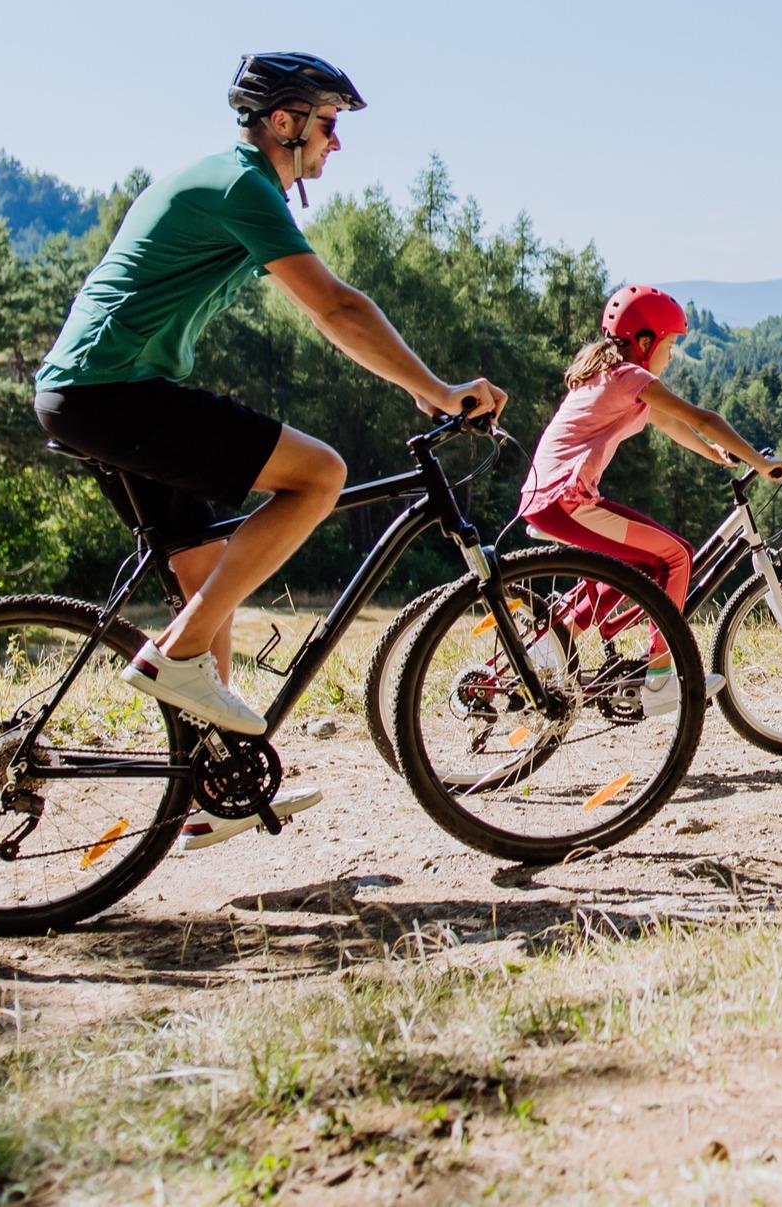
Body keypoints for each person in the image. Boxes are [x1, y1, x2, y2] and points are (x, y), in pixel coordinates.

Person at [33, 52, 506, 847]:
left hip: (88, 393)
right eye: (327, 122)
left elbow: (334, 313)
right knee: (320, 473)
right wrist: (437, 388)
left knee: (203, 569)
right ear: (282, 121)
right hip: (112, 391)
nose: (336, 143)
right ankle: (174, 657)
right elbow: (335, 305)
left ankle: (212, 787)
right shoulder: (240, 184)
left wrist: (417, 385)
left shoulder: (226, 179)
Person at [516, 286, 782, 713]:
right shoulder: (631, 377)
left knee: (641, 560)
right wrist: (758, 460)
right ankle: (662, 678)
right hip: (565, 498)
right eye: (670, 344)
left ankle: (559, 635)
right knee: (677, 556)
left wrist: (715, 454)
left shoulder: (609, 374)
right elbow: (701, 417)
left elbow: (670, 423)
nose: (672, 355)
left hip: (551, 497)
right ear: (645, 343)